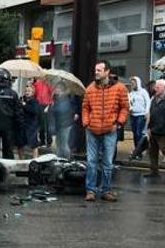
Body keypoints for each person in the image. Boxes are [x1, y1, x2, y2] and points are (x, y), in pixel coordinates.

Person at [82, 60, 129, 202]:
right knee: (91, 162)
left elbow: (125, 107)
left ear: (107, 72)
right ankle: (90, 191)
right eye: (95, 70)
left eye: (99, 70)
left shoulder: (120, 88)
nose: (96, 72)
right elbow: (85, 107)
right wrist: (86, 123)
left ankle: (106, 190)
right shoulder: (90, 88)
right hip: (92, 129)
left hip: (110, 129)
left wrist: (119, 123)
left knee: (107, 162)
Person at [51, 81, 77, 159]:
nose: (55, 89)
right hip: (59, 124)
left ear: (61, 89)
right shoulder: (56, 97)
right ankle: (60, 160)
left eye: (57, 88)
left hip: (65, 124)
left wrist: (53, 107)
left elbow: (62, 110)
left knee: (64, 144)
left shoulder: (67, 97)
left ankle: (67, 160)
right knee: (59, 144)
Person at [128, 76, 150, 159]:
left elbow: (148, 102)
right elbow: (129, 103)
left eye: (133, 83)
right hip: (133, 115)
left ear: (138, 83)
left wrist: (146, 112)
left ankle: (138, 152)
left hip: (141, 115)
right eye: (131, 83)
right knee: (135, 134)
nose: (132, 84)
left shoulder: (143, 92)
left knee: (138, 133)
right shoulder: (131, 93)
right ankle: (137, 151)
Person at [19, 83, 41, 159]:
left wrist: (24, 105)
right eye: (26, 91)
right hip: (22, 124)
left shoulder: (35, 101)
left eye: (29, 91)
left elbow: (34, 111)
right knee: (20, 144)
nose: (27, 92)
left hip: (31, 126)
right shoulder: (21, 99)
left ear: (33, 92)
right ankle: (21, 159)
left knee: (34, 144)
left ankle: (35, 159)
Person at [32, 78, 53, 149]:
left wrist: (49, 105)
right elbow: (34, 94)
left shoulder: (49, 83)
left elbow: (52, 95)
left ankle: (49, 142)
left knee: (47, 125)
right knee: (41, 124)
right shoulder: (36, 83)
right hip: (39, 105)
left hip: (47, 105)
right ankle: (42, 141)